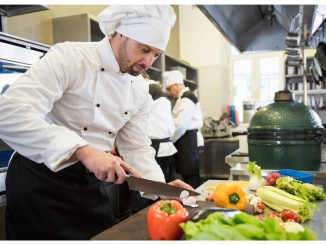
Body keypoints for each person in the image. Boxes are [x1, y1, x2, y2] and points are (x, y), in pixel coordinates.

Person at [0, 5, 196, 240]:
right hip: (39, 180)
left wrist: (160, 187)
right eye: (143, 49)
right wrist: (83, 151)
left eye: (156, 54)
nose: (148, 61)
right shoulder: (70, 57)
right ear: (120, 33)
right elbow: (8, 112)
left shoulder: (140, 89)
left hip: (89, 184)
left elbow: (136, 146)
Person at [127, 71, 177, 214]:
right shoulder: (158, 91)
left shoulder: (148, 88)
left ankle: (140, 220)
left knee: (142, 187)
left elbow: (132, 120)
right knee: (158, 188)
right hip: (165, 146)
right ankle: (158, 216)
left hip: (153, 145)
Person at [163, 70, 204, 189]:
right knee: (188, 174)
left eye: (169, 88)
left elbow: (181, 125)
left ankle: (194, 202)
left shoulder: (187, 98)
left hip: (187, 140)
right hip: (186, 139)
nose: (169, 92)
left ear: (176, 84)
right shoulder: (183, 97)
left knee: (190, 175)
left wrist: (170, 140)